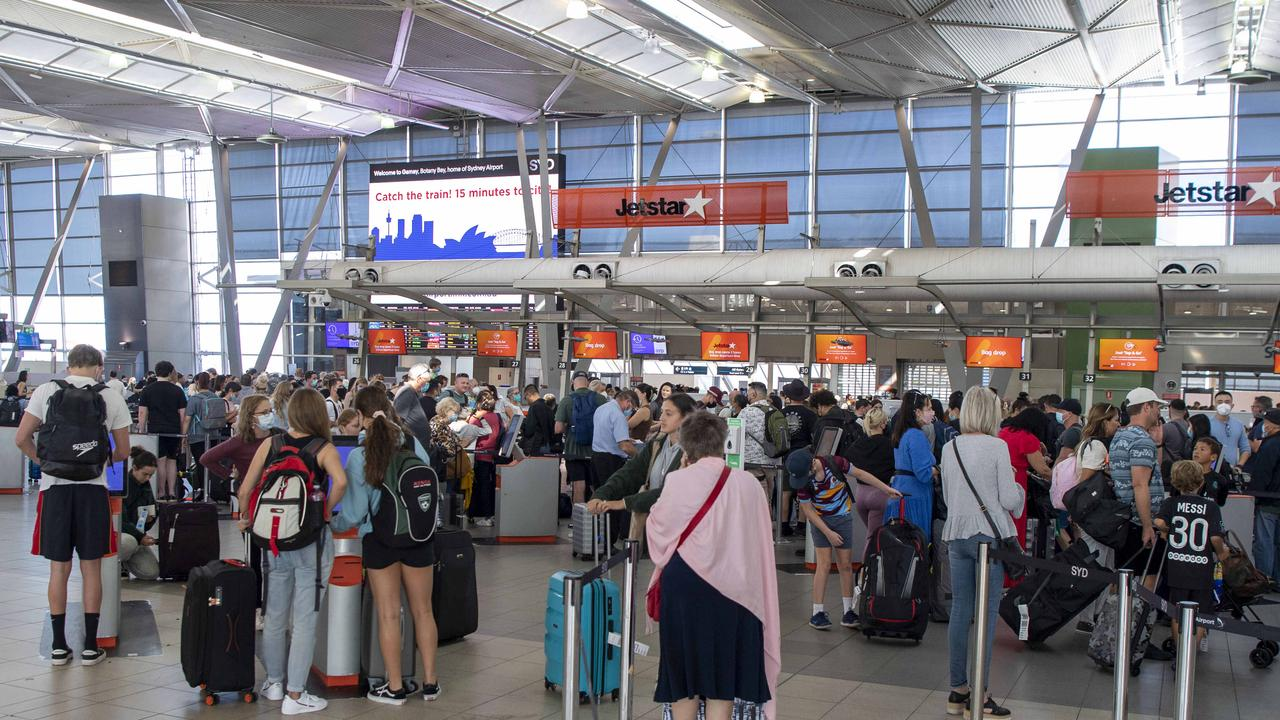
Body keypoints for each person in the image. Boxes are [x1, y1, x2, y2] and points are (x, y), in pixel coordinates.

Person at [646, 412, 779, 720]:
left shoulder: (677, 480)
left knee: (683, 672)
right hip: (736, 592)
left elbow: (657, 529)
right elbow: (758, 541)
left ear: (686, 447)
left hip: (685, 585)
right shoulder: (748, 484)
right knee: (723, 673)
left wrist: (679, 474)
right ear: (724, 441)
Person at [17, 345, 131, 667]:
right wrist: (95, 457)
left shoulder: (46, 391)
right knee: (91, 567)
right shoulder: (110, 396)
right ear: (98, 367)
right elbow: (123, 451)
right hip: (93, 491)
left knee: (59, 569)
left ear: (69, 365)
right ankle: (91, 646)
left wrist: (45, 461)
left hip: (55, 491)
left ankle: (57, 646)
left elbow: (21, 437)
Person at [237, 388, 346, 715]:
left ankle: (273, 682)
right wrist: (324, 510)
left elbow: (245, 488)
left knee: (274, 614)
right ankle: (296, 696)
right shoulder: (323, 448)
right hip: (310, 542)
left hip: (274, 540)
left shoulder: (272, 444)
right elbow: (339, 482)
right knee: (305, 619)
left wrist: (245, 519)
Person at [332, 387, 441, 704]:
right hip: (420, 539)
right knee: (423, 611)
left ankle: (394, 687)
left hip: (381, 540)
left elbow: (353, 512)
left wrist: (332, 522)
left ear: (362, 417)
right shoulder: (414, 444)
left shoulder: (360, 455)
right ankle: (431, 684)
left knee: (390, 615)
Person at [940, 386, 1022, 720]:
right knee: (986, 617)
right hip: (988, 539)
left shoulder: (949, 447)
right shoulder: (997, 447)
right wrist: (1016, 485)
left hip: (956, 534)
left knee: (960, 610)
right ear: (991, 413)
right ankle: (982, 694)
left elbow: (948, 495)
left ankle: (957, 689)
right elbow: (1009, 501)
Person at [788, 448, 898, 631]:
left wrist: (886, 489)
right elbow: (808, 511)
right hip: (819, 521)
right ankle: (817, 612)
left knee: (845, 564)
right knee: (823, 565)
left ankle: (848, 611)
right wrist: (828, 532)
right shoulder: (804, 482)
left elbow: (861, 473)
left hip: (842, 518)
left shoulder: (835, 463)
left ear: (812, 464)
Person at [588, 393, 696, 545]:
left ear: (686, 417)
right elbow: (630, 472)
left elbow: (671, 492)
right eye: (663, 412)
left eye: (669, 413)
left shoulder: (694, 453)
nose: (662, 418)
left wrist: (624, 503)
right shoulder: (657, 443)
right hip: (657, 529)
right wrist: (602, 494)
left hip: (682, 533)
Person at [202, 394, 276, 615]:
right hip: (251, 505)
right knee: (255, 559)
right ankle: (255, 606)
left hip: (278, 503)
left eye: (269, 411)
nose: (269, 415)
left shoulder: (279, 437)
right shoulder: (239, 442)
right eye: (264, 412)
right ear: (251, 417)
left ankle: (273, 606)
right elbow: (207, 458)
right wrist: (229, 475)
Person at [1154, 461, 1229, 662]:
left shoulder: (1171, 503)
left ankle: (1180, 652)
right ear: (1201, 481)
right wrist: (1222, 552)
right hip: (1201, 569)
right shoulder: (1211, 507)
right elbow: (1215, 537)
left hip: (1177, 567)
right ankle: (1191, 654)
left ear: (1176, 483)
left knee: (1178, 612)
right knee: (1201, 613)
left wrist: (1167, 531)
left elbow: (1159, 522)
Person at [1111, 389, 1170, 592]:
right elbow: (1140, 484)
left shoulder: (1121, 436)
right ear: (1146, 407)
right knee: (1149, 576)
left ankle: (1117, 620)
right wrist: (1147, 526)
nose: (1158, 412)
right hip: (1140, 520)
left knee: (1122, 576)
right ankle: (1137, 622)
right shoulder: (1142, 441)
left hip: (1125, 517)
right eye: (1156, 407)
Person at [998, 407, 1052, 551]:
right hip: (1018, 483)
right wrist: (1060, 479)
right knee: (1016, 524)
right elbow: (1043, 470)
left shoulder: (1004, 431)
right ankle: (1015, 567)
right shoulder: (1028, 438)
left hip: (1000, 481)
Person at [884, 391, 937, 534]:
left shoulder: (902, 434)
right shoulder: (916, 435)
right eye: (929, 409)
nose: (932, 413)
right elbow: (923, 474)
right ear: (918, 412)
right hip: (915, 496)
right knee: (916, 541)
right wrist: (937, 469)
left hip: (901, 492)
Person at [137, 361, 188, 501]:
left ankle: (160, 492)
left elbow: (142, 413)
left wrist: (141, 430)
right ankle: (171, 492)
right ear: (171, 372)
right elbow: (182, 414)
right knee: (172, 461)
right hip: (174, 430)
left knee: (160, 461)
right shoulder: (177, 390)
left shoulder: (147, 390)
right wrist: (183, 433)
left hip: (155, 430)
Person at [848, 407, 899, 547]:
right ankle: (867, 569)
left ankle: (871, 567)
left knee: (871, 534)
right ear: (883, 424)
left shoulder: (858, 444)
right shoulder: (890, 445)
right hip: (880, 494)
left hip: (860, 495)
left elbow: (848, 460)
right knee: (873, 539)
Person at [555, 372, 606, 503]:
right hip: (596, 449)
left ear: (572, 382)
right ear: (588, 382)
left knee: (579, 486)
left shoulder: (567, 400)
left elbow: (558, 428)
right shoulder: (600, 399)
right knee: (595, 486)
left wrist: (569, 426)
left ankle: (580, 521)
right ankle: (596, 519)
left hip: (574, 450)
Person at [1244, 408, 1280, 585]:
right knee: (1277, 542)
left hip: (1268, 498)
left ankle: (1265, 579)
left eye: (1266, 424)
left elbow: (1263, 472)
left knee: (1264, 541)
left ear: (1273, 425)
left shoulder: (1271, 444)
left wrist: (1253, 494)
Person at [780, 379, 816, 534]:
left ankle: (784, 525)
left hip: (785, 455)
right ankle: (802, 525)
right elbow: (815, 436)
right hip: (804, 456)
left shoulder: (780, 414)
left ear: (788, 396)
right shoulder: (810, 414)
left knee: (785, 493)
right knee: (803, 492)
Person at [119, 447, 159, 581]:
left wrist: (151, 519)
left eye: (151, 475)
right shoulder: (121, 485)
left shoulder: (146, 486)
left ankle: (126, 559)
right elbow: (120, 522)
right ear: (134, 468)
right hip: (121, 534)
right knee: (128, 543)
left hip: (137, 535)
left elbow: (152, 510)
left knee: (151, 573)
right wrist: (139, 536)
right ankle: (116, 563)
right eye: (145, 474)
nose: (148, 478)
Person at [740, 382, 781, 505]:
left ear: (754, 394)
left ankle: (761, 523)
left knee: (757, 501)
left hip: (753, 463)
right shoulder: (775, 411)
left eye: (748, 393)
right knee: (767, 497)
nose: (747, 396)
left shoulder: (746, 412)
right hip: (773, 461)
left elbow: (734, 436)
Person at [467, 391, 501, 527]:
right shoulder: (496, 416)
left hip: (478, 454)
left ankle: (480, 514)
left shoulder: (477, 418)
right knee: (488, 486)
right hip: (492, 455)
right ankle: (488, 514)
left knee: (478, 486)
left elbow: (468, 433)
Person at [186, 372, 220, 499]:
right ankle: (212, 490)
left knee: (200, 464)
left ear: (197, 383)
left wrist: (184, 435)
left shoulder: (194, 399)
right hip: (214, 435)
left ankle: (202, 490)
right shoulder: (216, 398)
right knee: (211, 463)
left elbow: (187, 419)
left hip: (197, 436)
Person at [393, 364, 435, 451]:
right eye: (426, 381)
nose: (427, 384)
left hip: (418, 445)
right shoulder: (406, 392)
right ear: (419, 379)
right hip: (412, 447)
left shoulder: (412, 392)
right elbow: (398, 419)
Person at [1209, 391, 1251, 469]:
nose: (1223, 405)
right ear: (1215, 405)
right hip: (1211, 469)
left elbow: (1245, 448)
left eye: (1227, 402)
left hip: (1232, 470)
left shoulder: (1239, 424)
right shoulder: (1207, 424)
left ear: (1232, 405)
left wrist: (1239, 465)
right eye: (1220, 402)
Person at [518, 384, 555, 456]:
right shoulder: (548, 406)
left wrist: (522, 427)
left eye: (525, 398)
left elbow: (529, 431)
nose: (527, 401)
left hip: (537, 446)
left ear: (528, 394)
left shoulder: (534, 407)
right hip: (548, 445)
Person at [1162, 399, 1193, 478]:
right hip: (1187, 468)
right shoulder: (1191, 427)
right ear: (1185, 411)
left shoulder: (1165, 428)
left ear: (1170, 409)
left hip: (1170, 469)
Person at [1053, 398, 1084, 462]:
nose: (1057, 413)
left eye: (1060, 411)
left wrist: (1052, 471)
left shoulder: (1072, 432)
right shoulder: (1078, 430)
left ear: (1069, 414)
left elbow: (1063, 458)